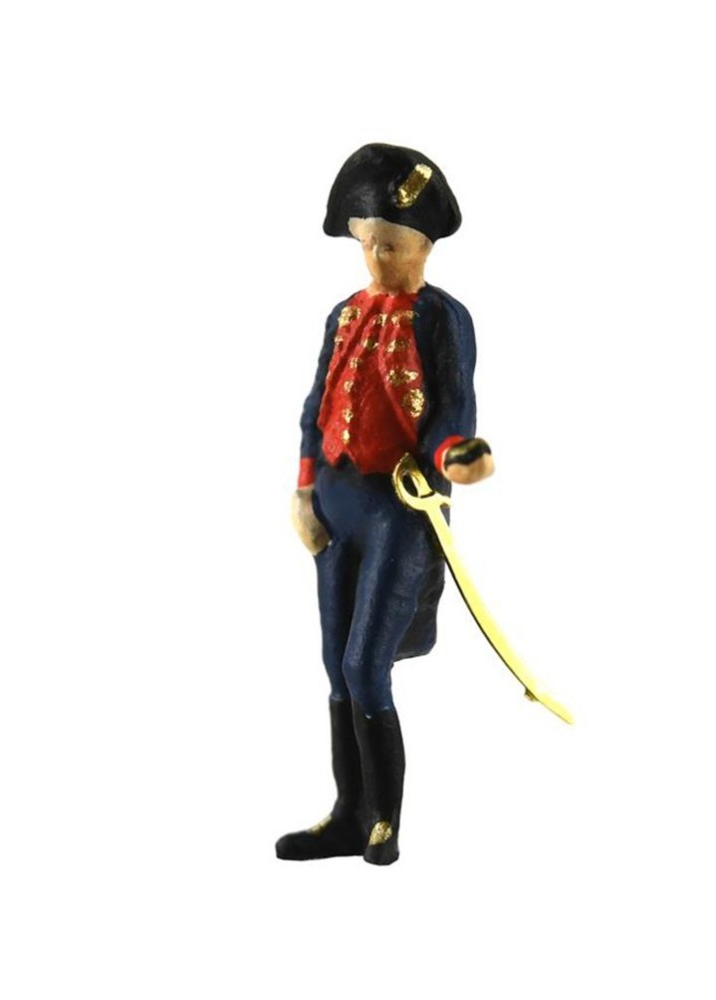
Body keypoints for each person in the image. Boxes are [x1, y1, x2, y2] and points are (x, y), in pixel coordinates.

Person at [276, 144, 494, 865]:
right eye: (368, 243)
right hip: (334, 510)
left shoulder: (443, 318)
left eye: (392, 245)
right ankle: (347, 812)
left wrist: (458, 457)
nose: (377, 258)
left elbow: (452, 414)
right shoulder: (343, 314)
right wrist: (303, 489)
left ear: (424, 247)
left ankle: (383, 822)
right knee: (335, 666)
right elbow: (315, 407)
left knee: (367, 665)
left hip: (397, 510)